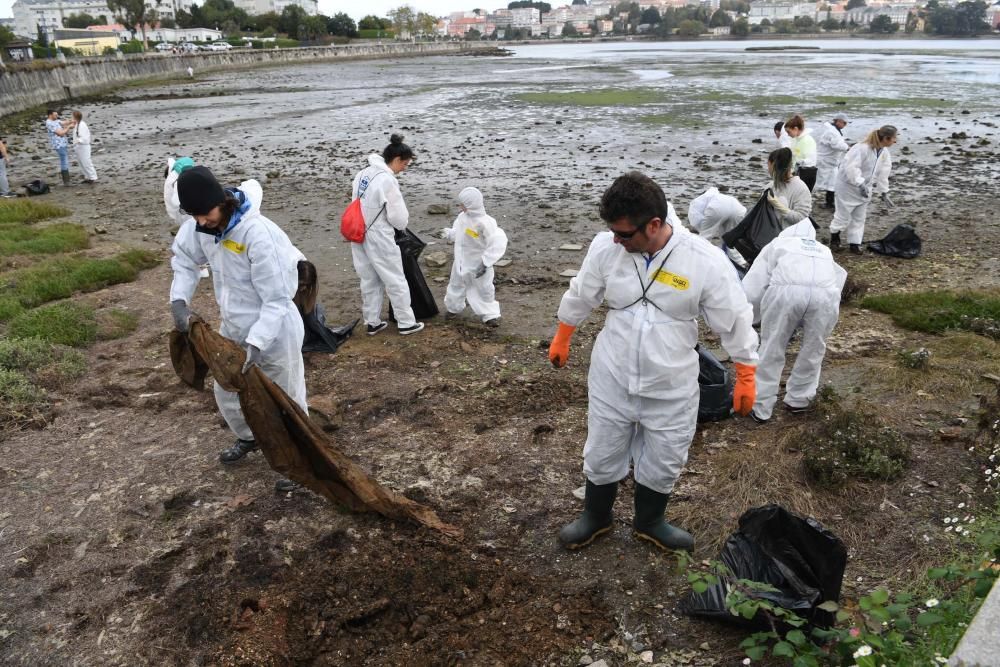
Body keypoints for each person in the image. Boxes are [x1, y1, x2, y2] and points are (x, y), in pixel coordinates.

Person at [549, 171, 759, 553]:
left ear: (655, 224)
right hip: (612, 372)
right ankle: (596, 517)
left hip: (671, 381)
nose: (616, 239)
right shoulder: (606, 248)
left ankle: (650, 521)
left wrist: (746, 370)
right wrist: (565, 333)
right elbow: (582, 292)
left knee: (665, 453)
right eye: (612, 231)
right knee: (603, 447)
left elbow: (735, 316)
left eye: (624, 233)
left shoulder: (703, 261)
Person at [169, 166, 307, 465]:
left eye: (205, 213)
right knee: (227, 391)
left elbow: (277, 300)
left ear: (222, 202)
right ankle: (249, 436)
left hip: (275, 330)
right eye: (194, 216)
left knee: (286, 397)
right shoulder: (201, 227)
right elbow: (184, 260)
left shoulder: (259, 234)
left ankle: (299, 460)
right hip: (233, 327)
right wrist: (179, 300)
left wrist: (257, 343)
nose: (201, 221)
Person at [741, 219, 846, 423]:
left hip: (785, 291)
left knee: (772, 346)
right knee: (814, 347)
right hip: (825, 294)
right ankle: (799, 399)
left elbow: (754, 283)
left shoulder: (779, 244)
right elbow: (839, 277)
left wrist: (748, 315)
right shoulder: (823, 249)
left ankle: (761, 406)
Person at [350, 134, 424, 336]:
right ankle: (406, 322)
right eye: (406, 164)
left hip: (358, 231)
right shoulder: (387, 181)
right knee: (394, 277)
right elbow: (399, 218)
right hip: (379, 235)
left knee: (369, 278)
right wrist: (400, 227)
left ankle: (372, 321)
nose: (405, 168)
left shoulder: (363, 173)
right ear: (398, 159)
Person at [441, 187, 508, 327]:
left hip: (478, 263)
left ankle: (490, 316)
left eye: (463, 204)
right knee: (456, 285)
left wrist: (486, 262)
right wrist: (447, 234)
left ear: (472, 204)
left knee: (484, 289)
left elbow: (497, 242)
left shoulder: (485, 222)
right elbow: (458, 234)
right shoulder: (462, 218)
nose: (461, 207)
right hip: (460, 261)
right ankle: (454, 308)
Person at [829, 125, 896, 255]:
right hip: (848, 186)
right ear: (886, 138)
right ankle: (834, 240)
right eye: (894, 138)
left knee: (859, 217)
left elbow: (884, 172)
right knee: (843, 214)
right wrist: (859, 183)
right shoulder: (862, 148)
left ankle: (854, 244)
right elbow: (851, 167)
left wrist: (884, 192)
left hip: (866, 187)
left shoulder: (884, 152)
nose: (895, 141)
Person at [766, 147, 812, 228]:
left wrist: (778, 206)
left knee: (782, 200)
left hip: (791, 235)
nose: (768, 169)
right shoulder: (770, 186)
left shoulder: (801, 188)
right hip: (770, 233)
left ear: (774, 166)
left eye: (768, 165)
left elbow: (801, 219)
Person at [815, 113, 850, 210]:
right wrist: (848, 148)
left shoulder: (834, 130)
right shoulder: (832, 131)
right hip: (825, 161)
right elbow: (836, 145)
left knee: (833, 183)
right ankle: (803, 198)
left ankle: (829, 203)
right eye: (844, 123)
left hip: (832, 162)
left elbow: (838, 143)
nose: (845, 125)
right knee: (818, 182)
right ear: (837, 121)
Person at [781, 115, 818, 191]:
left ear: (795, 129)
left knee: (802, 196)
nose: (788, 134)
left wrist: (800, 162)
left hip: (807, 172)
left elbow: (812, 159)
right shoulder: (795, 139)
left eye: (788, 132)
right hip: (798, 170)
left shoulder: (808, 140)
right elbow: (794, 154)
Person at [44, 109, 74, 186]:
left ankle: (67, 180)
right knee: (64, 161)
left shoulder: (55, 121)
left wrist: (72, 120)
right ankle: (66, 181)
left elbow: (63, 122)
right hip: (58, 145)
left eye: (57, 115)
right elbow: (60, 133)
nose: (57, 116)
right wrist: (69, 127)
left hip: (63, 143)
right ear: (50, 115)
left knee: (65, 160)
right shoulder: (49, 123)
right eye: (55, 115)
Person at [71, 111, 98, 184]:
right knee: (81, 162)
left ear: (75, 117)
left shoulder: (82, 125)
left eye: (72, 116)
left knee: (86, 162)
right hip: (78, 146)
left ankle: (93, 177)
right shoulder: (77, 124)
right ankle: (87, 177)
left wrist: (78, 140)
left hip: (84, 146)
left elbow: (84, 137)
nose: (72, 118)